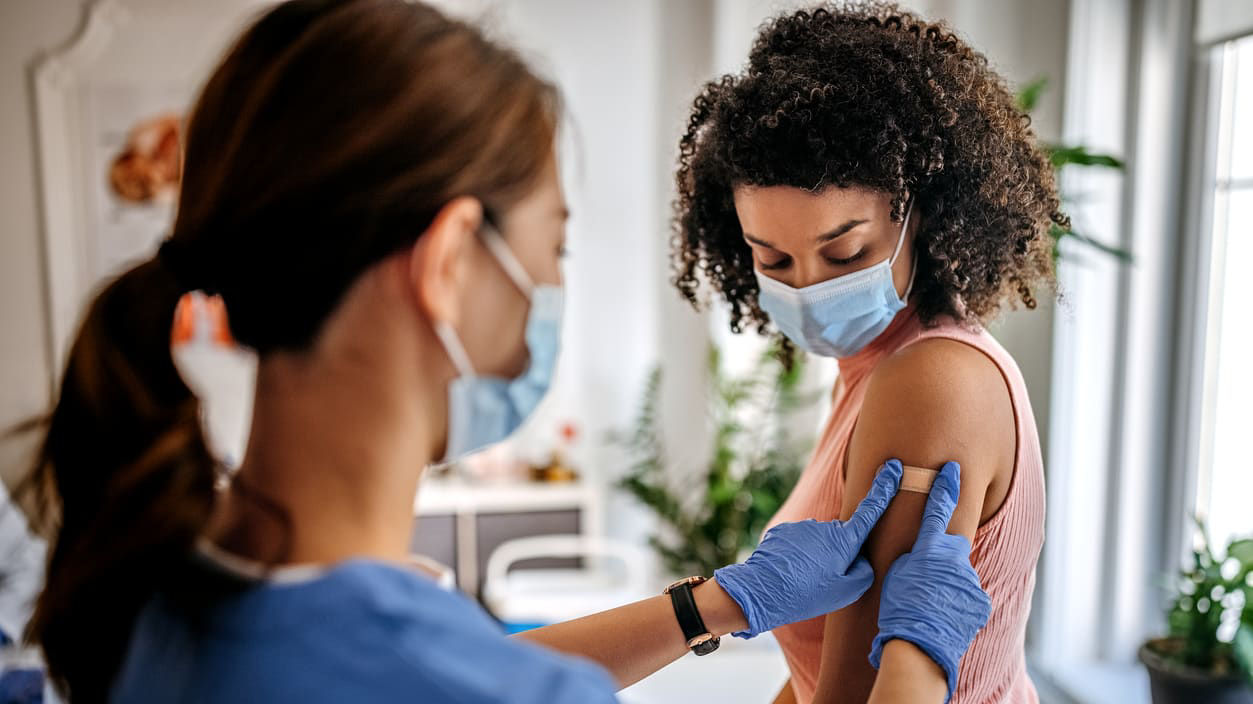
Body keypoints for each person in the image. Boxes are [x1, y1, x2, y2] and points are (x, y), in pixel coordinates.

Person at [19, 1, 988, 702]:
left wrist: (719, 601)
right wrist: (916, 656)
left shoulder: (150, 576)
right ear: (445, 264)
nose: (554, 285)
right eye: (551, 247)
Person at [672, 3, 1059, 703]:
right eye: (773, 259)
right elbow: (812, 677)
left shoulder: (930, 381)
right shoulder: (868, 371)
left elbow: (853, 692)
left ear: (923, 210)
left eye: (844, 251)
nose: (809, 288)